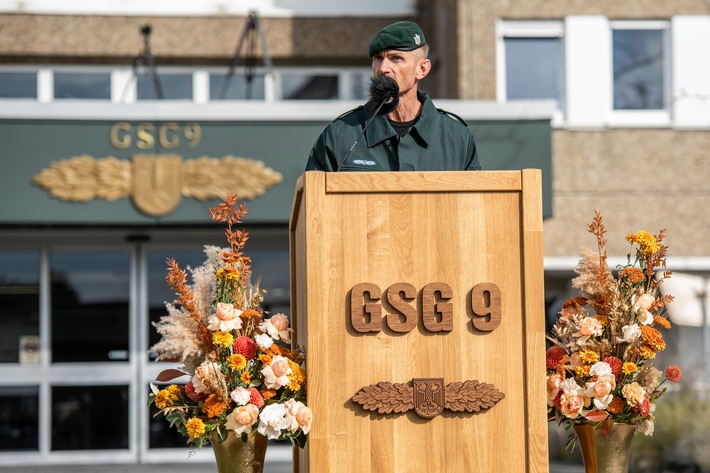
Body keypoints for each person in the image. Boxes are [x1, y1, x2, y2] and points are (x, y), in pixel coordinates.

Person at [305, 21, 481, 172]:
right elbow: (314, 204)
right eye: (378, 58)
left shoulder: (457, 139)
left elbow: (475, 207)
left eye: (396, 58)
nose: (383, 68)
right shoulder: (340, 136)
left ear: (422, 69)